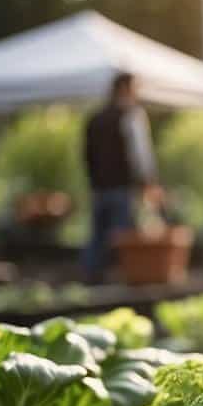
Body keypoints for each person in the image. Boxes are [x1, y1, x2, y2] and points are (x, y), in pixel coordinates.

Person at [82, 72, 160, 282]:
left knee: (98, 235)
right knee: (122, 235)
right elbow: (140, 154)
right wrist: (148, 181)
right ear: (125, 89)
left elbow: (87, 155)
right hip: (122, 185)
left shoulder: (95, 118)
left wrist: (92, 181)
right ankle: (118, 276)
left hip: (99, 186)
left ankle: (93, 276)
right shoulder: (131, 116)